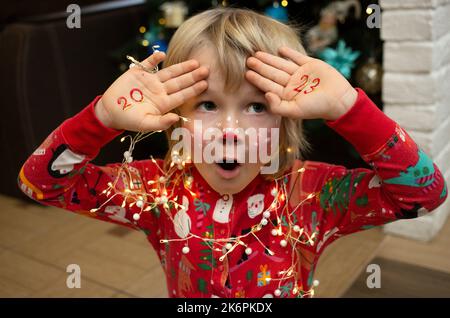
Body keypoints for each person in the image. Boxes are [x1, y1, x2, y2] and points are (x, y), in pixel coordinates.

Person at [18, 7, 448, 298]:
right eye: (208, 104)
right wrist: (100, 120)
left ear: (286, 118)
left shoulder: (313, 194)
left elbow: (424, 194)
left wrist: (350, 110)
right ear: (177, 111)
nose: (230, 129)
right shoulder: (156, 191)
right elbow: (40, 184)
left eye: (256, 106)